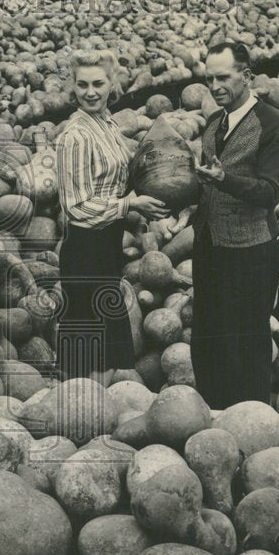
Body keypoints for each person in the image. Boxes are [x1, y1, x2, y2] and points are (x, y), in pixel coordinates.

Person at [54, 50, 168, 387]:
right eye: (82, 85)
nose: (91, 92)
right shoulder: (74, 136)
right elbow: (76, 207)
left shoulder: (107, 123)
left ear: (111, 84)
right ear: (72, 88)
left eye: (98, 83)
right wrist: (129, 206)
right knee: (90, 346)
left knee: (103, 344)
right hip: (85, 249)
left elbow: (122, 174)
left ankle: (91, 414)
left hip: (107, 247)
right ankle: (84, 418)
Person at [190, 41, 279, 409]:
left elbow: (270, 192)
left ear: (246, 76)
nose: (215, 86)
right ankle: (212, 421)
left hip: (251, 252)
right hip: (210, 248)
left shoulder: (274, 124)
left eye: (223, 77)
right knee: (207, 342)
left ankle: (251, 425)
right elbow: (207, 186)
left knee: (246, 346)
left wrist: (223, 179)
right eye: (209, 79)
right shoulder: (213, 124)